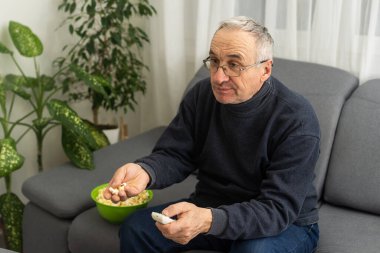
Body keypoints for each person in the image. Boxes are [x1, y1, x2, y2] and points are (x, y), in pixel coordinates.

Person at [105, 16, 320, 253]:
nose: (219, 77)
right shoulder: (201, 96)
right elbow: (176, 154)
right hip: (211, 205)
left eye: (234, 65)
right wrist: (146, 171)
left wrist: (208, 220)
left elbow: (277, 209)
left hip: (283, 223)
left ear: (265, 69)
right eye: (215, 61)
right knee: (136, 229)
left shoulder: (296, 120)